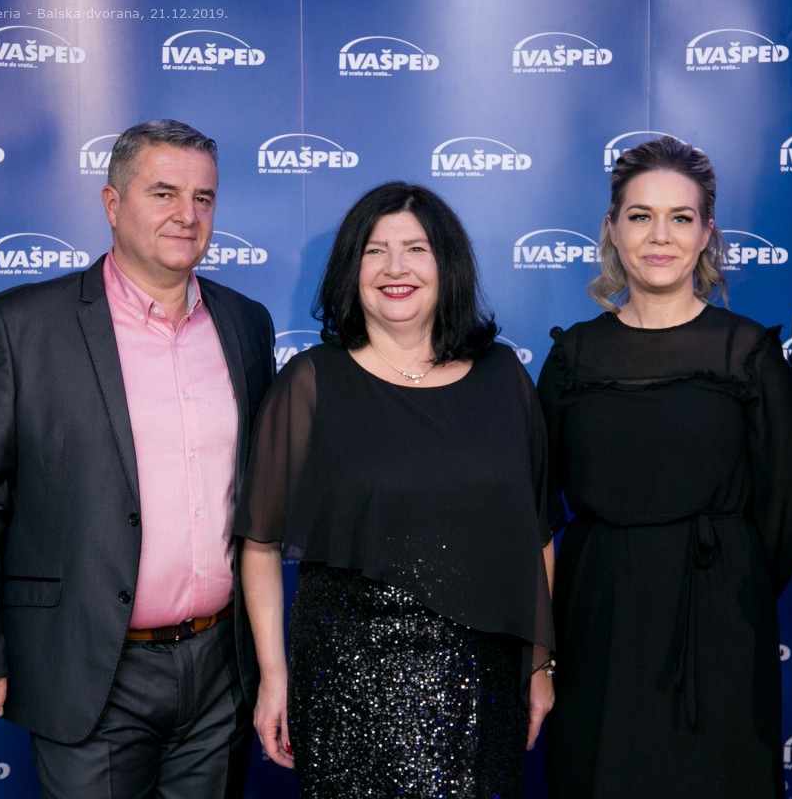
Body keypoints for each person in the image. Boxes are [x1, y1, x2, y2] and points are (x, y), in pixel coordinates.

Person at [0, 119, 275, 796]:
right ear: (112, 204)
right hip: (87, 665)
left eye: (203, 197)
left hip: (220, 669)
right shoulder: (23, 325)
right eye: (164, 193)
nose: (187, 215)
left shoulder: (245, 323)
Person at [236, 181, 555, 798]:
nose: (395, 268)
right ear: (351, 269)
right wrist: (275, 677)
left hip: (483, 684)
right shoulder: (310, 382)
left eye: (416, 249)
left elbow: (536, 536)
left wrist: (539, 665)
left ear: (447, 265)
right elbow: (260, 543)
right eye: (375, 251)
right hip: (345, 685)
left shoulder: (504, 378)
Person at [538, 136, 792, 798]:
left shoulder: (748, 352)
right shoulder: (573, 356)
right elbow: (536, 506)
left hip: (720, 614)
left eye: (680, 217)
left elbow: (785, 508)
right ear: (612, 228)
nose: (660, 236)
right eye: (641, 216)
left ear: (706, 232)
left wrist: (730, 588)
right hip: (596, 615)